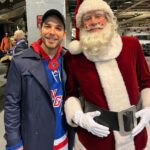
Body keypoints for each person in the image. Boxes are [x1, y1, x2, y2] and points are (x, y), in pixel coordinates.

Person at [64, 0, 150, 150]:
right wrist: (79, 117)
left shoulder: (131, 45)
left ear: (108, 18)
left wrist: (149, 108)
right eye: (87, 18)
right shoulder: (73, 57)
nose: (94, 22)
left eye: (99, 16)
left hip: (134, 133)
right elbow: (71, 94)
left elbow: (146, 81)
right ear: (82, 24)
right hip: (95, 137)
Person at [4, 9, 69, 150]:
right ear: (40, 29)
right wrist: (14, 142)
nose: (52, 32)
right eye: (47, 26)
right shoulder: (20, 61)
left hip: (64, 138)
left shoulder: (68, 59)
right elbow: (11, 104)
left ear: (64, 34)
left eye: (58, 28)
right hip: (35, 140)